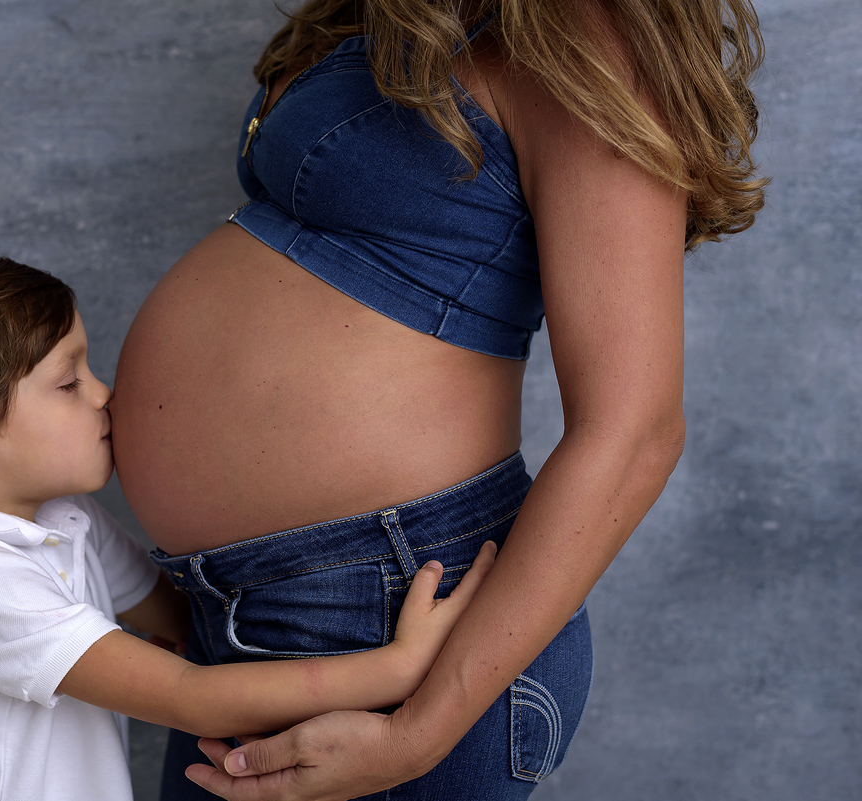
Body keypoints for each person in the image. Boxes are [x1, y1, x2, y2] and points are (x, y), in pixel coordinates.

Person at [109, 0, 767, 798]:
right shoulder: (404, 11)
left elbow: (635, 431)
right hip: (235, 607)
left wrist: (418, 734)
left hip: (394, 605)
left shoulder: (584, 29)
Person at [0, 255, 498, 801]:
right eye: (69, 384)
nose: (104, 394)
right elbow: (188, 692)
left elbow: (182, 627)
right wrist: (398, 668)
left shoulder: (56, 518)